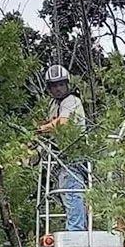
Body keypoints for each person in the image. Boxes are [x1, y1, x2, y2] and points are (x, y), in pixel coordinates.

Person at [38, 64, 88, 231]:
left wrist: (42, 128)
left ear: (67, 84)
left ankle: (76, 231)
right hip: (61, 156)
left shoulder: (72, 100)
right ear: (49, 88)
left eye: (61, 84)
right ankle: (76, 227)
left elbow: (63, 123)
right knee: (65, 194)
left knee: (72, 190)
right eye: (54, 86)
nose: (58, 89)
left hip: (75, 153)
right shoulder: (53, 104)